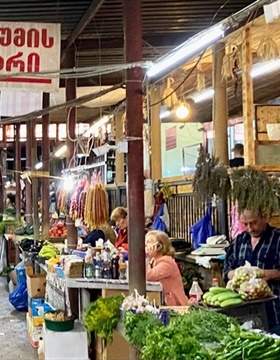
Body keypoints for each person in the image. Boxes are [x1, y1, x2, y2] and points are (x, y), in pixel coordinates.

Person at [224, 209, 280, 334]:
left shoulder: (277, 239)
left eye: (253, 223)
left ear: (265, 217)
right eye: (245, 224)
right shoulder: (239, 241)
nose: (249, 228)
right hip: (243, 315)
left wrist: (262, 274)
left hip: (274, 313)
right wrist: (237, 273)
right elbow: (227, 271)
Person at [145, 230, 192, 306]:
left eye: (150, 242)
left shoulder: (166, 262)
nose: (147, 245)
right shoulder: (154, 260)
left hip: (175, 305)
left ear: (159, 246)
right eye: (146, 242)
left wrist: (146, 256)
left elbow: (148, 276)